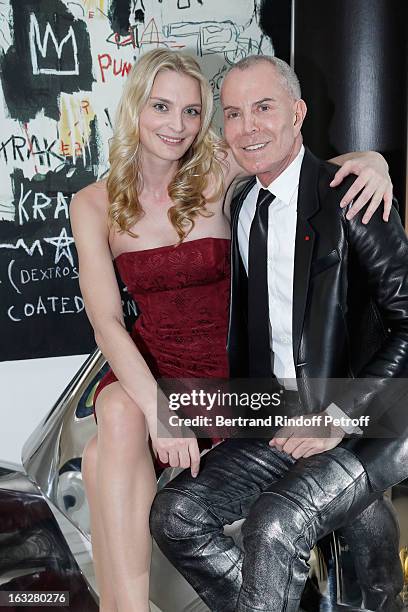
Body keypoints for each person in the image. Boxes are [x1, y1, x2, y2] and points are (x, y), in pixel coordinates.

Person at [70, 49, 395, 612]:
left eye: (193, 112)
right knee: (119, 414)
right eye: (162, 107)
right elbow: (106, 323)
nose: (177, 126)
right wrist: (159, 413)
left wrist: (375, 162)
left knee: (101, 455)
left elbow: (300, 166)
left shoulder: (219, 170)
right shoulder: (93, 204)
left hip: (230, 383)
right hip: (156, 377)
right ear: (135, 110)